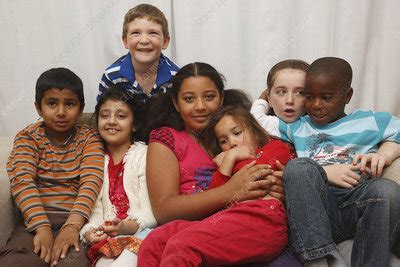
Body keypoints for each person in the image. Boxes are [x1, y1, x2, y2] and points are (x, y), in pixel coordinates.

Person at [137, 62, 301, 266]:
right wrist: (230, 191)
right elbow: (164, 211)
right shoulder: (168, 138)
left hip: (253, 225)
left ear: (221, 98)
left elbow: (278, 168)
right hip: (208, 225)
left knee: (182, 245)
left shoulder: (238, 134)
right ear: (176, 103)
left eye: (209, 97)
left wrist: (282, 186)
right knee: (155, 241)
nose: (200, 106)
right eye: (189, 99)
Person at [278, 57, 400, 266]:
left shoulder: (369, 121)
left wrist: (383, 155)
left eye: (326, 97)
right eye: (309, 96)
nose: (316, 105)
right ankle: (317, 260)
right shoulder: (298, 126)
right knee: (298, 167)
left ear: (347, 95)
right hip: (318, 208)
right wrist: (263, 99)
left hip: (358, 201)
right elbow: (256, 121)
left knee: (386, 190)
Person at [0, 68, 104, 266]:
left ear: (81, 108)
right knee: (15, 261)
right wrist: (42, 227)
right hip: (33, 222)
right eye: (52, 103)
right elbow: (22, 181)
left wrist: (72, 226)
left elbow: (92, 182)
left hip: (76, 221)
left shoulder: (89, 138)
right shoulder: (28, 138)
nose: (61, 112)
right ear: (38, 107)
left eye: (70, 104)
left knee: (74, 262)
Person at [80, 87, 157, 266]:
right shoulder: (95, 160)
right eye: (105, 115)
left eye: (121, 116)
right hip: (109, 240)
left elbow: (151, 214)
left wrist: (123, 227)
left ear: (135, 124)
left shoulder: (144, 155)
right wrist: (91, 232)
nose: (111, 121)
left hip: (142, 234)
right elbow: (96, 212)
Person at [97, 3, 179, 103]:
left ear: (165, 42)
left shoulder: (176, 77)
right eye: (136, 33)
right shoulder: (112, 76)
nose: (144, 40)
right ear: (125, 41)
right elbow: (104, 113)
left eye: (153, 33)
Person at [250, 59, 309, 136]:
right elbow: (254, 120)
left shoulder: (319, 126)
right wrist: (262, 99)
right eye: (282, 92)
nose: (290, 100)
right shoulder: (275, 126)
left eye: (300, 93)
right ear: (269, 99)